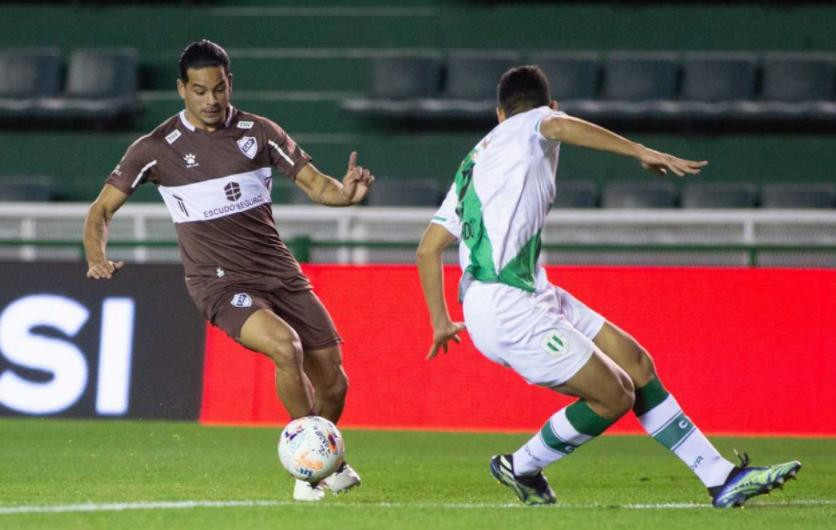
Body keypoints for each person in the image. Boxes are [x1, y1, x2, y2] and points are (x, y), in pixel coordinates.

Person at [416, 65, 801, 508]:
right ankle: (520, 465)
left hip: (524, 293)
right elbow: (557, 125)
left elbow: (428, 249)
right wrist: (639, 150)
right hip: (506, 305)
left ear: (499, 112)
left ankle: (722, 478)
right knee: (614, 394)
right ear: (548, 105)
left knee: (636, 365)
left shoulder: (475, 160)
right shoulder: (534, 125)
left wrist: (440, 320)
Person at [83, 40, 373, 502]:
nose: (211, 100)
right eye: (199, 91)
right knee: (286, 346)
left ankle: (318, 461)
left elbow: (320, 187)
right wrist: (96, 255)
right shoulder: (155, 148)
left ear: (230, 83)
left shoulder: (260, 133)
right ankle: (307, 474)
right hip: (219, 281)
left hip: (280, 272)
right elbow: (100, 211)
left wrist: (347, 193)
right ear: (182, 90)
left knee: (334, 383)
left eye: (219, 89)